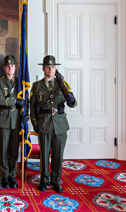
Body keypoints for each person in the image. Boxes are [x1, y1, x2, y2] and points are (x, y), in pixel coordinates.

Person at [30, 55, 77, 193]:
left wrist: (71, 99)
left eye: (53, 66)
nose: (50, 69)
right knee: (44, 155)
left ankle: (55, 180)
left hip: (60, 124)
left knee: (58, 155)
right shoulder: (37, 85)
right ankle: (44, 180)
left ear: (55, 68)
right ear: (43, 68)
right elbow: (32, 106)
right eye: (48, 66)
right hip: (44, 123)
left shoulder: (63, 85)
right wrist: (34, 124)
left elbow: (73, 104)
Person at [0, 55, 29, 189]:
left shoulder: (21, 83)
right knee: (3, 150)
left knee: (14, 150)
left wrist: (27, 114)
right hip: (3, 119)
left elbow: (26, 100)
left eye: (12, 65)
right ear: (4, 68)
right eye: (8, 66)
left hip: (16, 120)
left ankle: (12, 175)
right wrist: (14, 101)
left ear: (15, 67)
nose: (10, 67)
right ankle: (4, 176)